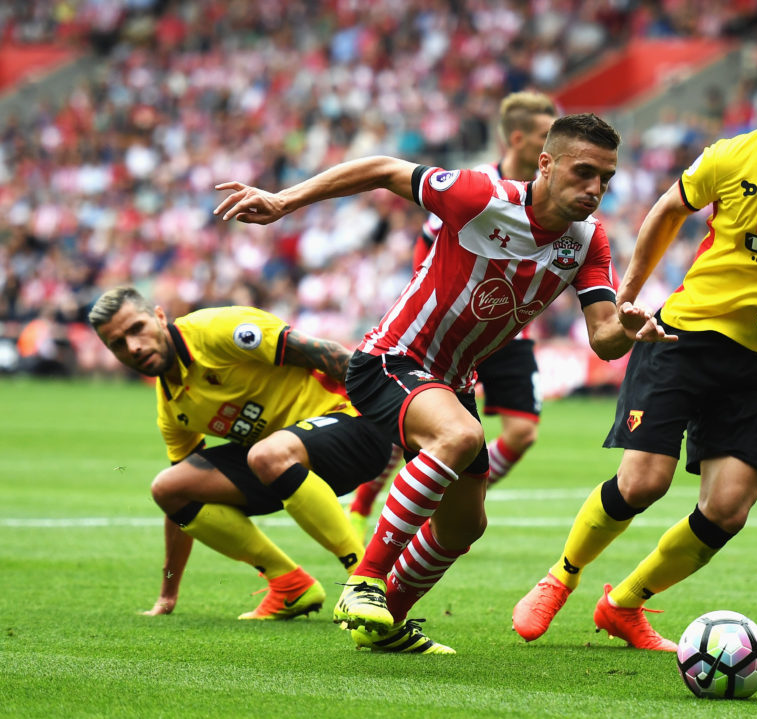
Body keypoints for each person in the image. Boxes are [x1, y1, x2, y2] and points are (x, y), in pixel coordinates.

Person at [214, 113, 674, 653]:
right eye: (583, 172)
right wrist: (283, 202)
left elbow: (602, 338)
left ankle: (386, 624)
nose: (595, 189)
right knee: (459, 437)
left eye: (606, 178)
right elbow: (384, 168)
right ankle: (364, 582)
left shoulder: (587, 241)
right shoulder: (479, 195)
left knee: (462, 527)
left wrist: (630, 329)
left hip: (452, 381)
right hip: (391, 357)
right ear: (545, 164)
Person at [513, 38, 757, 651]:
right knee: (642, 483)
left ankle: (624, 604)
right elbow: (666, 211)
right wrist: (628, 293)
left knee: (728, 509)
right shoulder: (729, 156)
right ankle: (562, 576)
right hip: (681, 336)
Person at [89, 288, 451, 652]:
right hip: (286, 460)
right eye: (117, 343)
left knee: (266, 454)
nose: (133, 347)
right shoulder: (172, 408)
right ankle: (289, 585)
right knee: (170, 487)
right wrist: (168, 593)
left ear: (160, 317)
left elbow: (327, 353)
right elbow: (179, 506)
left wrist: (402, 416)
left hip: (355, 423)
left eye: (137, 328)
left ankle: (365, 582)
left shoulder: (215, 330)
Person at [345, 91, 557, 538]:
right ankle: (366, 503)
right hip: (450, 325)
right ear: (517, 140)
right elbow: (428, 245)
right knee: (417, 419)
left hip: (505, 334)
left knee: (522, 434)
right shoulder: (475, 187)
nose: (551, 147)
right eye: (544, 136)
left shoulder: (555, 201)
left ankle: (448, 496)